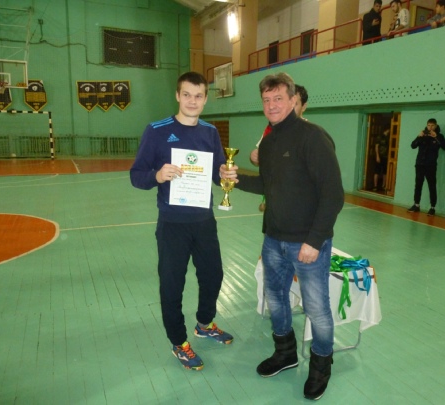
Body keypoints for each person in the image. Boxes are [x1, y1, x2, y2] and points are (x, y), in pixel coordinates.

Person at [235, 72, 345, 400]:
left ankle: (321, 367)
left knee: (317, 308)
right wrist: (233, 179)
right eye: (266, 100)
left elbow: (333, 194)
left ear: (294, 100)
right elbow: (267, 184)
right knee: (275, 299)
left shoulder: (313, 137)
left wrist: (315, 240)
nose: (272, 105)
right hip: (273, 239)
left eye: (278, 98)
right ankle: (285, 354)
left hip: (306, 243)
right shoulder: (269, 142)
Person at [130, 71, 238, 371]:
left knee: (213, 276)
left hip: (204, 221)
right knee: (172, 284)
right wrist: (157, 175)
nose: (192, 101)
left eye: (198, 96)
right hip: (172, 224)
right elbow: (136, 176)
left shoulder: (210, 132)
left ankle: (204, 324)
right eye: (187, 95)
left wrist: (225, 174)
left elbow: (217, 173)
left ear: (205, 99)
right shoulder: (157, 130)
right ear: (178, 96)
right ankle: (179, 342)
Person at [249, 83, 309, 166]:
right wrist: (254, 157)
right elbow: (261, 159)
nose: (290, 107)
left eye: (294, 104)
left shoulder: (311, 135)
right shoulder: (271, 129)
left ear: (303, 107)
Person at [407, 118, 445, 216]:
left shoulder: (439, 136)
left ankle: (432, 207)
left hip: (431, 165)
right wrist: (419, 136)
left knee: (432, 186)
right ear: (426, 125)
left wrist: (436, 137)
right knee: (418, 185)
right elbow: (413, 146)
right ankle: (416, 205)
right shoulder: (423, 135)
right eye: (429, 125)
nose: (430, 127)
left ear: (436, 126)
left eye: (432, 125)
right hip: (419, 165)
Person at [373, 126, 390, 192]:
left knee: (385, 172)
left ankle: (384, 185)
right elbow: (376, 146)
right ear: (387, 129)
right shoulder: (380, 137)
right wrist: (377, 156)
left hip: (386, 157)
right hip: (380, 156)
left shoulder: (389, 137)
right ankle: (375, 186)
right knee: (377, 171)